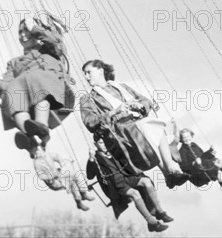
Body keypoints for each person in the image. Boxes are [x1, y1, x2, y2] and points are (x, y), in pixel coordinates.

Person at [80, 60, 189, 189]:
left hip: (137, 124)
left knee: (153, 127)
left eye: (89, 72)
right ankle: (170, 170)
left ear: (100, 71)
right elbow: (90, 122)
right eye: (85, 74)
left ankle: (170, 173)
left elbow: (145, 101)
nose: (86, 77)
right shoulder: (88, 99)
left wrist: (139, 105)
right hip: (119, 134)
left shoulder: (121, 87)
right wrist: (114, 112)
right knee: (150, 127)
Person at [0, 16, 75, 151]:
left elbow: (56, 42)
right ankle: (28, 136)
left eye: (26, 30)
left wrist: (35, 29)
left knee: (36, 78)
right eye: (20, 32)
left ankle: (42, 127)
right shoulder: (14, 63)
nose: (23, 35)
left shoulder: (49, 47)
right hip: (26, 92)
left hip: (49, 83)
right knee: (11, 90)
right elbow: (6, 83)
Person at [87, 138, 170, 232]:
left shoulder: (112, 152)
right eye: (101, 143)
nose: (104, 145)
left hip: (126, 177)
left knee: (146, 181)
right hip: (115, 184)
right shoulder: (96, 158)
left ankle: (160, 211)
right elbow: (90, 176)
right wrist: (91, 159)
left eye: (105, 142)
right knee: (135, 193)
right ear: (95, 144)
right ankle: (151, 222)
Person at [31, 139, 95, 211]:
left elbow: (57, 156)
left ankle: (83, 193)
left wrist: (62, 164)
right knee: (71, 183)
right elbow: (42, 176)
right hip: (53, 182)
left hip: (58, 175)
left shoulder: (46, 155)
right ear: (34, 153)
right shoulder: (37, 163)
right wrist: (51, 177)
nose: (39, 151)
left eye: (38, 149)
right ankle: (79, 202)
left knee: (74, 175)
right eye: (36, 151)